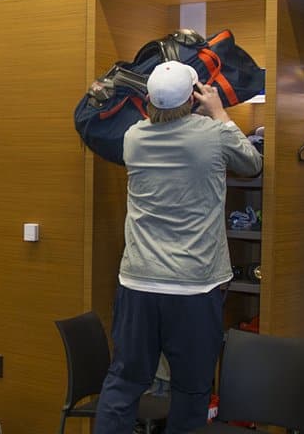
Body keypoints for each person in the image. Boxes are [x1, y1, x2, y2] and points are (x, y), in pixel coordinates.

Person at [94, 60, 263, 433]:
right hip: (193, 287)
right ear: (193, 96)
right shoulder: (212, 134)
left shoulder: (134, 137)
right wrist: (219, 112)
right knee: (191, 390)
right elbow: (251, 164)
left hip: (137, 284)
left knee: (124, 382)